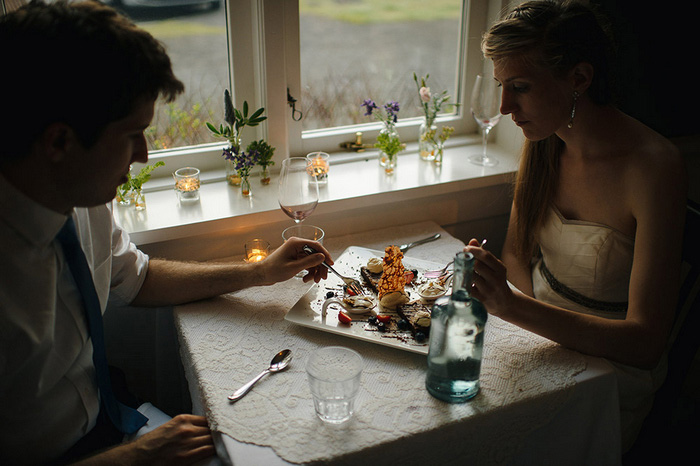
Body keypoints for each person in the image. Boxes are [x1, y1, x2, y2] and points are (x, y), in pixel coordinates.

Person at [0, 1, 332, 464]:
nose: (144, 155)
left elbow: (140, 279)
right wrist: (136, 459)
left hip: (112, 419)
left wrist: (260, 273)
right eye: (132, 134)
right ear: (59, 142)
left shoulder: (84, 198)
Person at [463, 0, 687, 453]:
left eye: (520, 87)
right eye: (502, 87)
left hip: (611, 373)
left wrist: (512, 308)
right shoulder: (546, 141)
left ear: (579, 79)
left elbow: (645, 343)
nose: (505, 107)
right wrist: (501, 297)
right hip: (538, 334)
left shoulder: (654, 168)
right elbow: (515, 255)